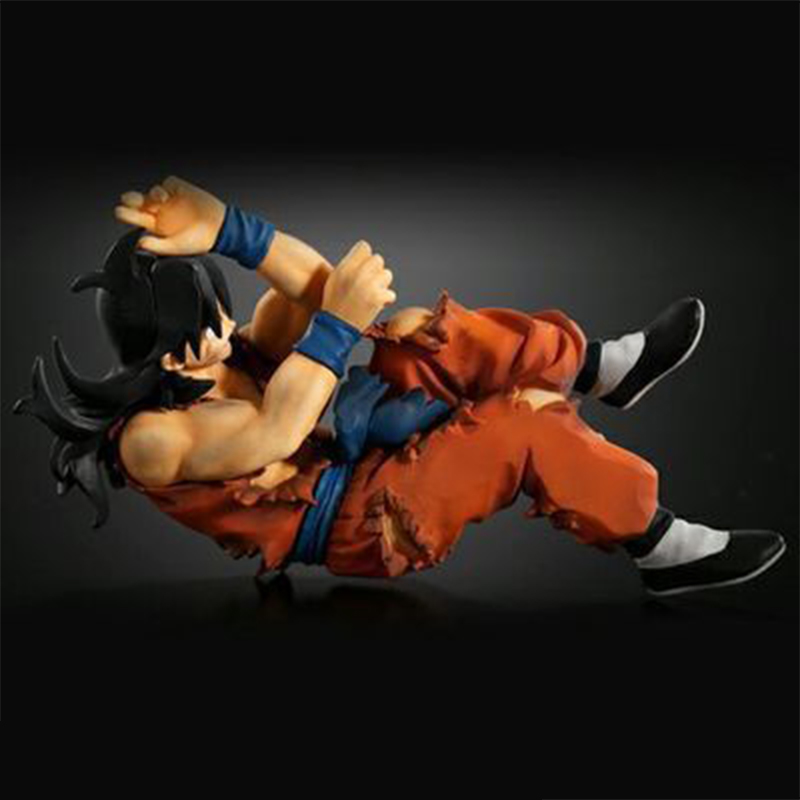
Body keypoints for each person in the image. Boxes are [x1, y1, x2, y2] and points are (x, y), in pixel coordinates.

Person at [14, 177, 786, 597]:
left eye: (220, 319)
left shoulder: (223, 357)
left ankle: (594, 367)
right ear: (165, 353)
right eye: (206, 332)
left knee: (416, 330)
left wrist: (228, 229)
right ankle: (660, 545)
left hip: (358, 449)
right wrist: (335, 327)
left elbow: (314, 286)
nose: (226, 336)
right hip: (360, 524)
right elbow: (275, 432)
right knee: (522, 422)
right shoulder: (152, 440)